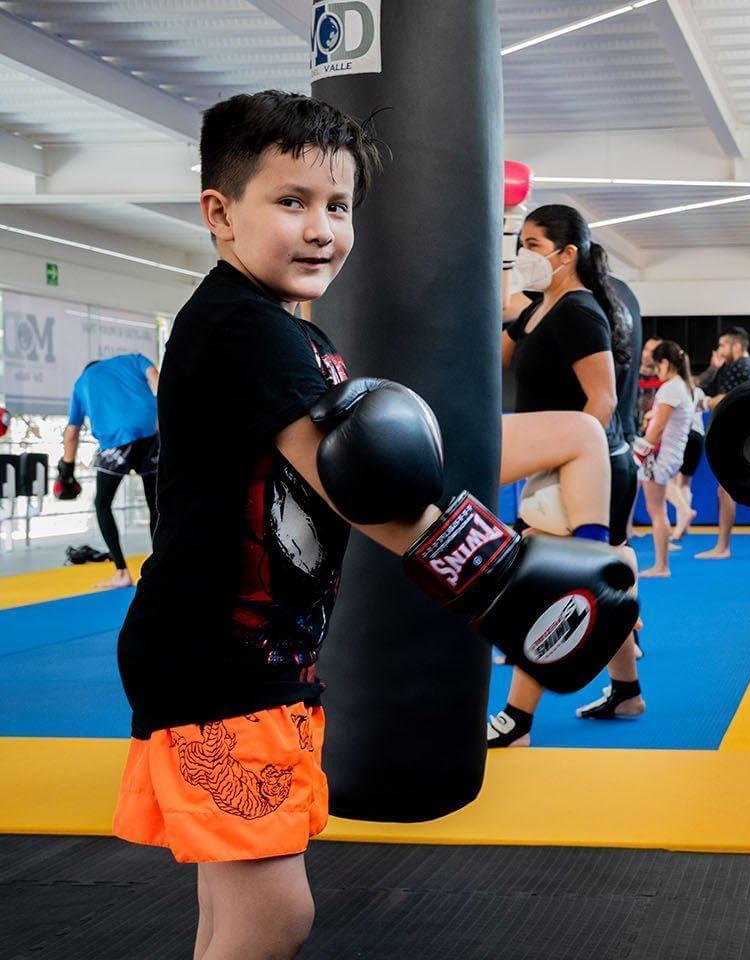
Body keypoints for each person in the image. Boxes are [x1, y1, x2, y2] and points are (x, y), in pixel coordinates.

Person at [112, 91, 635, 960]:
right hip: (221, 665)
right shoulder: (246, 334)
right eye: (291, 201)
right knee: (273, 916)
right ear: (219, 213)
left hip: (246, 655)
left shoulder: (271, 328)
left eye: (339, 206)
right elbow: (361, 480)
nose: (322, 227)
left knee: (234, 907)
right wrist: (505, 584)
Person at [494, 203, 646, 743]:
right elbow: (497, 357)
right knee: (598, 580)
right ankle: (627, 692)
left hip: (590, 466)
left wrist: (569, 466)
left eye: (533, 245)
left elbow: (601, 399)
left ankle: (517, 720)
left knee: (544, 588)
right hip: (557, 461)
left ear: (567, 254)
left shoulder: (580, 311)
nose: (523, 256)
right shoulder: (539, 308)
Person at [58, 354, 160, 589]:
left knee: (102, 504)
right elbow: (154, 376)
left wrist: (67, 468)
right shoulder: (133, 360)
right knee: (156, 505)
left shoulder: (82, 381)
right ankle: (162, 566)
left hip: (116, 442)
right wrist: (163, 414)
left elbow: (72, 431)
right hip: (151, 435)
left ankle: (122, 573)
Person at [694, 326, 750, 560]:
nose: (719, 350)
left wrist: (705, 402)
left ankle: (722, 547)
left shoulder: (737, 366)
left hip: (744, 436)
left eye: (722, 345)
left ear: (736, 346)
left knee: (725, 489)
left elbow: (723, 400)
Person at [630, 340, 694, 577]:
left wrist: (639, 451)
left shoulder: (670, 389)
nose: (656, 371)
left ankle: (661, 565)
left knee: (656, 510)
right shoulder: (680, 386)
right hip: (670, 454)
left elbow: (657, 429)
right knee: (658, 510)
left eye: (657, 366)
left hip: (661, 457)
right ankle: (661, 564)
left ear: (665, 363)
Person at [664, 375, 706, 548]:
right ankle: (680, 529)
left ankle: (684, 512)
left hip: (684, 434)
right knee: (685, 484)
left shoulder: (674, 390)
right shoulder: (699, 391)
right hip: (698, 437)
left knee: (668, 479)